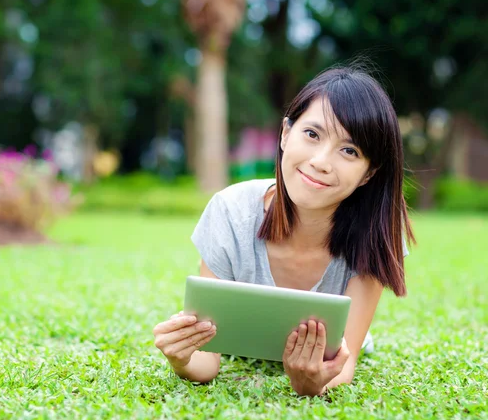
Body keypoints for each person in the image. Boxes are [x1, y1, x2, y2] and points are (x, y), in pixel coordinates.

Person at [153, 66, 415, 397]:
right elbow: (205, 362)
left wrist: (311, 385)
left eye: (349, 151)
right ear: (285, 134)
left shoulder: (377, 232)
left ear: (368, 174)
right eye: (312, 135)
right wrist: (181, 358)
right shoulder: (230, 212)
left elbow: (339, 368)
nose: (321, 161)